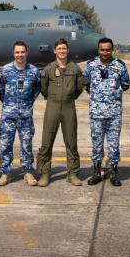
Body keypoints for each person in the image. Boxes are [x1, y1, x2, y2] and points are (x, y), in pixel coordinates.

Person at [36, 39, 85, 187]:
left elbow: (79, 88)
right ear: (54, 51)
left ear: (67, 50)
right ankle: (45, 173)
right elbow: (43, 88)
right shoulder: (48, 69)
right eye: (59, 49)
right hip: (52, 106)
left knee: (71, 141)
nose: (62, 51)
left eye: (64, 48)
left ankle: (72, 173)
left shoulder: (75, 69)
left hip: (69, 106)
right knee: (47, 140)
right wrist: (53, 98)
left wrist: (69, 97)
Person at [83, 37, 130, 186]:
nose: (105, 52)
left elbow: (125, 84)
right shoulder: (91, 65)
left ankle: (114, 173)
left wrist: (111, 96)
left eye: (108, 49)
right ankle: (97, 172)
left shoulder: (119, 66)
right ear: (98, 50)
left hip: (114, 113)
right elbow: (86, 84)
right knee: (96, 144)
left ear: (112, 50)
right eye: (102, 50)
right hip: (96, 113)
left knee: (113, 144)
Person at [0, 41, 41, 186]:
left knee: (27, 145)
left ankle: (28, 173)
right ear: (13, 53)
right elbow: (0, 90)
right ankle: (5, 173)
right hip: (8, 116)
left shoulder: (34, 71)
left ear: (26, 53)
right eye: (17, 52)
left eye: (22, 52)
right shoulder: (5, 70)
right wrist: (10, 105)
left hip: (26, 116)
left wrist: (26, 103)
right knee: (5, 145)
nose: (20, 55)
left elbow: (36, 90)